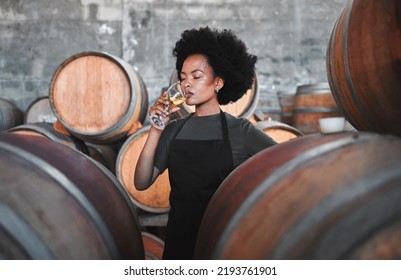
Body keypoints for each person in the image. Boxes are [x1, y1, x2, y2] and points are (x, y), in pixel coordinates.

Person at [134, 26, 277, 260]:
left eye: (196, 76)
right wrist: (156, 129)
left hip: (224, 244)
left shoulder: (240, 130)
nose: (187, 84)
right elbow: (141, 182)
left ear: (218, 82)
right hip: (180, 244)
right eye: (183, 78)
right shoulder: (173, 130)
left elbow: (284, 162)